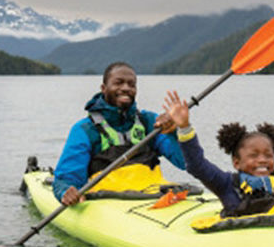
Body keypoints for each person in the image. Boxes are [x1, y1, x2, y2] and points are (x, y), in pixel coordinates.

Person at [163, 90, 274, 217]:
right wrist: (185, 128)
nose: (262, 160)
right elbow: (197, 165)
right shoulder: (227, 184)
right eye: (253, 155)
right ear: (237, 162)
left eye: (268, 155)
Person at [52, 62, 186, 205]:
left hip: (154, 195)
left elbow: (185, 163)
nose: (126, 88)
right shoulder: (85, 130)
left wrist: (177, 132)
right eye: (118, 83)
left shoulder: (150, 122)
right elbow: (66, 179)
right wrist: (66, 191)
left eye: (131, 84)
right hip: (108, 202)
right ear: (104, 88)